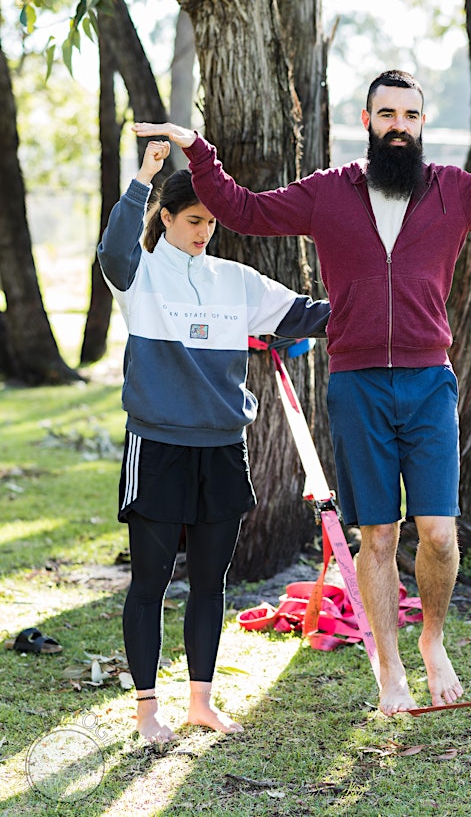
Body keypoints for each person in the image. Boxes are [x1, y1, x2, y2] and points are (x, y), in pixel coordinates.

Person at [133, 53, 471, 717]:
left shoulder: (453, 190)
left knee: (439, 534)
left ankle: (431, 640)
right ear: (367, 121)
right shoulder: (329, 192)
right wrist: (199, 151)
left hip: (429, 382)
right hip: (357, 384)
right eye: (387, 114)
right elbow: (243, 210)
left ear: (423, 124)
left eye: (411, 115)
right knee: (380, 537)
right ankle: (389, 667)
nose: (399, 125)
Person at [98, 140, 330, 742]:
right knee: (149, 582)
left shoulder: (238, 282)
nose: (204, 231)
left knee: (210, 582)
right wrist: (142, 181)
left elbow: (307, 315)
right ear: (167, 218)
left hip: (223, 449)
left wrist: (386, 297)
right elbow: (112, 251)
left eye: (211, 222)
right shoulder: (139, 277)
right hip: (158, 447)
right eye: (194, 220)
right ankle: (148, 710)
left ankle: (201, 702)